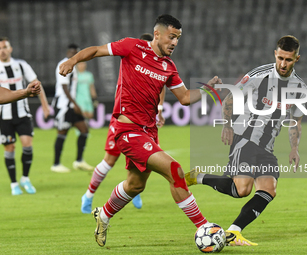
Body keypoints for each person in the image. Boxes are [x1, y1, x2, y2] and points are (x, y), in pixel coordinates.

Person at [60, 14, 227, 247]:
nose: (175, 42)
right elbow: (97, 50)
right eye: (171, 37)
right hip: (127, 130)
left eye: (178, 38)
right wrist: (73, 61)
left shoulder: (168, 66)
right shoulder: (132, 47)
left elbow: (185, 97)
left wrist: (208, 89)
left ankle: (104, 215)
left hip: (148, 132)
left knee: (136, 185)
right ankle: (204, 226)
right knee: (175, 170)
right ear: (157, 34)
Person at [185, 35, 307, 246]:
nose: (283, 64)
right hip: (245, 137)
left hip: (267, 147)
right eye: (280, 58)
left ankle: (233, 232)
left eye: (288, 59)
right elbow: (229, 99)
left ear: (297, 58)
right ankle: (198, 177)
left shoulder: (300, 89)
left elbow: (295, 121)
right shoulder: (258, 75)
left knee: (269, 189)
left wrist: (294, 148)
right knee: (242, 189)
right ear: (275, 54)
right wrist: (227, 125)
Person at [80, 33, 165, 214]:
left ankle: (132, 189)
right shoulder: (131, 57)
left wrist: (160, 109)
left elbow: (162, 85)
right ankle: (88, 195)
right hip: (123, 120)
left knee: (141, 161)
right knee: (109, 160)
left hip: (144, 124)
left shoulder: (157, 66)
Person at [0, 37, 50, 195]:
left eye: (4, 47)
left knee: (27, 145)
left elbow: (36, 84)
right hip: (4, 116)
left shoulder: (21, 65)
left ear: (10, 49)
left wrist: (45, 105)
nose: (2, 51)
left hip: (22, 113)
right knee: (10, 148)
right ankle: (14, 183)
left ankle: (25, 178)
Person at [50, 44, 94, 173]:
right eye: (73, 52)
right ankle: (56, 163)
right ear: (68, 51)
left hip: (71, 105)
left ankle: (79, 161)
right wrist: (74, 103)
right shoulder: (64, 64)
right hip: (63, 105)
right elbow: (64, 87)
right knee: (62, 133)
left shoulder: (73, 66)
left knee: (84, 130)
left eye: (76, 52)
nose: (74, 54)